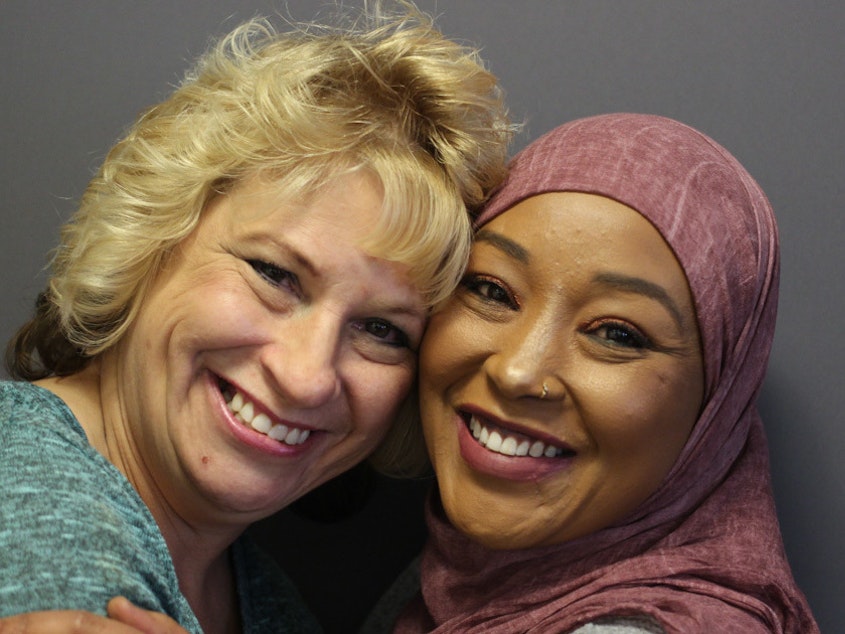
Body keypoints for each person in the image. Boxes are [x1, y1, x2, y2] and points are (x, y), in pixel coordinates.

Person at [0, 3, 511, 632]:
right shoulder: (35, 520)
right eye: (275, 275)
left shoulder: (263, 595)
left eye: (383, 330)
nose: (306, 376)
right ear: (151, 239)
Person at [387, 113, 819, 632]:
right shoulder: (459, 580)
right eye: (491, 290)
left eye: (616, 334)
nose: (518, 371)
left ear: (715, 411)